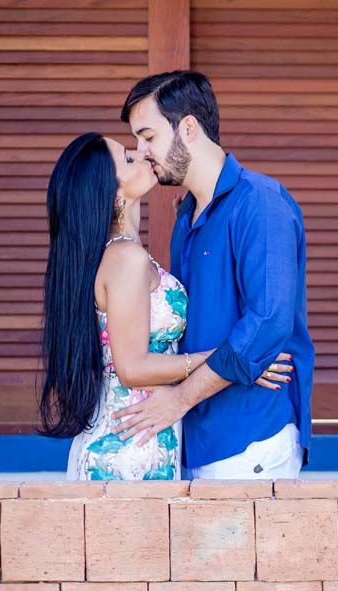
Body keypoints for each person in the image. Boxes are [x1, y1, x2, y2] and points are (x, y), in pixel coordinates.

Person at [39, 133, 290, 480]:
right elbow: (132, 368)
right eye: (128, 159)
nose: (142, 155)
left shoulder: (121, 254)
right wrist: (235, 360)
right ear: (112, 195)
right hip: (126, 451)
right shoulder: (126, 258)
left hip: (144, 435)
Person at [113, 70, 314, 479]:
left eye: (148, 136)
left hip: (250, 439)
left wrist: (179, 399)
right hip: (193, 441)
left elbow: (266, 325)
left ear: (188, 128)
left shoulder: (260, 203)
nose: (142, 150)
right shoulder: (185, 217)